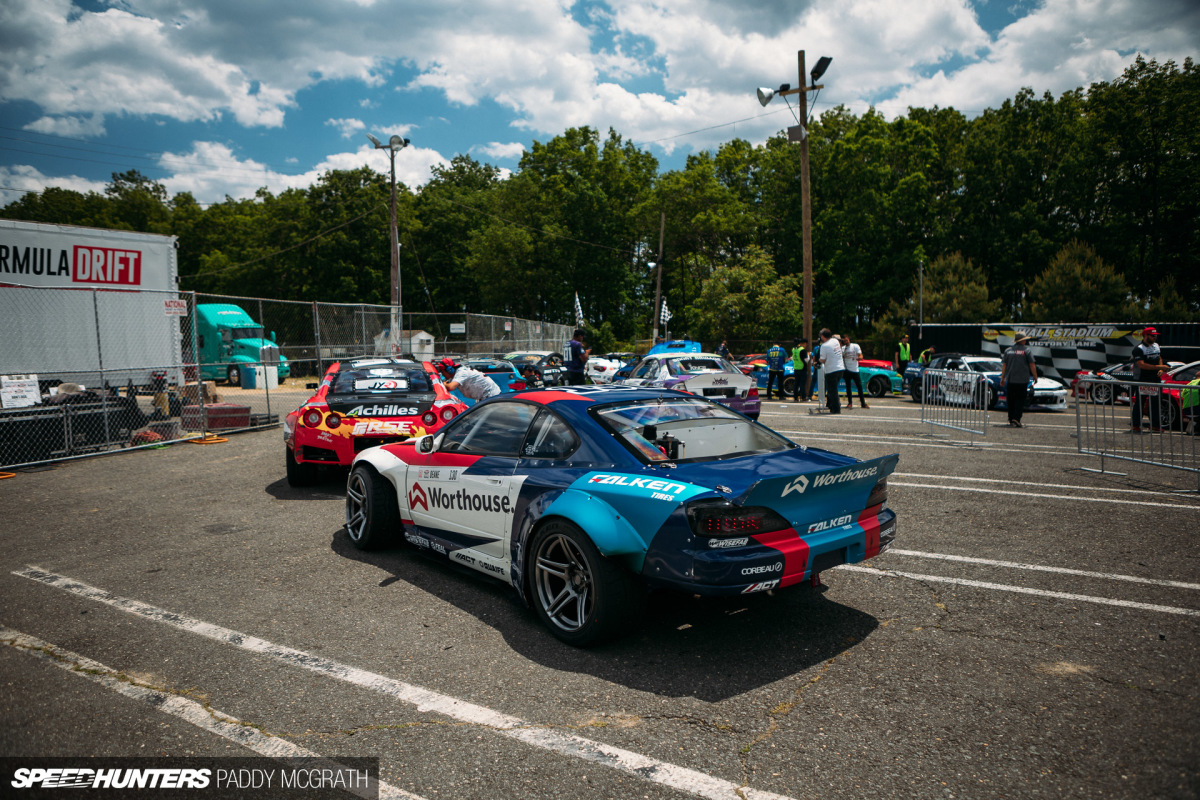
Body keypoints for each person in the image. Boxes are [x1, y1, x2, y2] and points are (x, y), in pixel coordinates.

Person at [1130, 326, 1170, 432]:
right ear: (1145, 336)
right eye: (1152, 336)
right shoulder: (1138, 349)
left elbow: (1159, 357)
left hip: (1155, 379)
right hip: (1142, 379)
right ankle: (1136, 425)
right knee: (1140, 403)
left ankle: (1155, 425)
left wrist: (1160, 369)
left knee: (1156, 402)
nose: (1154, 338)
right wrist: (1160, 367)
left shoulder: (1156, 345)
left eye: (1155, 336)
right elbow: (1141, 365)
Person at [1000, 334, 1036, 427]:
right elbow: (1032, 364)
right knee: (1020, 400)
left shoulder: (1008, 351)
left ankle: (1011, 419)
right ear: (1022, 341)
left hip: (1011, 380)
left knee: (1011, 400)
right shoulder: (1026, 351)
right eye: (1025, 340)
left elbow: (1004, 365)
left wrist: (1003, 378)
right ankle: (1016, 419)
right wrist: (1035, 376)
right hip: (1022, 381)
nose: (1026, 341)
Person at [436, 358, 500, 402]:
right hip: (484, 397)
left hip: (491, 395)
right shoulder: (456, 375)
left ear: (449, 370)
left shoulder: (461, 372)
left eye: (442, 372)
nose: (442, 374)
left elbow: (450, 387)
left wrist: (443, 383)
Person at [818, 328, 843, 414]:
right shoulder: (835, 341)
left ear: (822, 336)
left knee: (832, 391)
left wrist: (818, 361)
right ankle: (833, 406)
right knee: (833, 390)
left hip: (832, 370)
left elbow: (823, 360)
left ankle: (836, 409)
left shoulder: (824, 346)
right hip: (840, 368)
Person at [840, 335, 869, 409]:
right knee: (848, 387)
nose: (845, 342)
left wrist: (859, 358)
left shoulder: (855, 346)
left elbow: (861, 355)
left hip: (855, 369)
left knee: (859, 386)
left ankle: (863, 403)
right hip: (846, 369)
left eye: (846, 340)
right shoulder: (843, 348)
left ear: (849, 339)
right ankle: (850, 402)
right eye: (844, 341)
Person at [791, 338, 809, 402]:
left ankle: (795, 398)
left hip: (796, 368)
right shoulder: (802, 350)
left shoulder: (793, 349)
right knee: (802, 384)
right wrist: (808, 358)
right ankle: (803, 397)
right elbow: (806, 360)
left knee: (796, 384)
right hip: (802, 368)